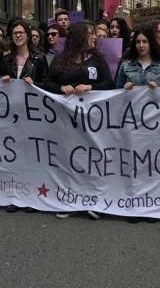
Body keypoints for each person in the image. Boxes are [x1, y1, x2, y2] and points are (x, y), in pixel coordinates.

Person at [44, 22, 113, 219]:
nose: (94, 37)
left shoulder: (98, 60)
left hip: (93, 120)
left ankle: (94, 200)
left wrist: (90, 88)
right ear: (78, 36)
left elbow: (110, 83)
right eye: (90, 33)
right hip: (67, 120)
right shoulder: (60, 59)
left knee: (93, 159)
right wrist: (61, 88)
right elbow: (48, 82)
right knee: (68, 158)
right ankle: (69, 201)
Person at [0, 20, 48, 86]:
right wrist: (2, 80)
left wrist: (34, 84)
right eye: (15, 33)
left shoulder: (39, 58)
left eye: (21, 32)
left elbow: (46, 84)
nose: (18, 35)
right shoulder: (6, 60)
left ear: (28, 36)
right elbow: (0, 84)